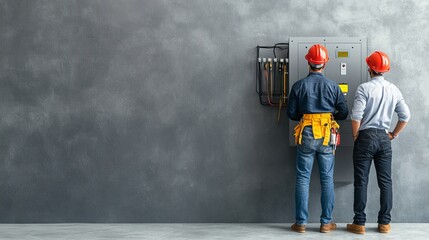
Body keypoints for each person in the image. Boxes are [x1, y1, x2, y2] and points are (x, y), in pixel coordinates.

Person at [346, 51, 410, 234]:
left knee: (361, 182)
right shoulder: (394, 89)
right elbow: (405, 116)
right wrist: (393, 134)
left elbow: (356, 115)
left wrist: (356, 135)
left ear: (370, 68)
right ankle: (384, 223)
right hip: (384, 138)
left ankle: (359, 223)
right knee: (386, 182)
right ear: (385, 70)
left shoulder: (363, 88)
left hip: (365, 137)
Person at [287, 44, 348, 233]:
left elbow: (291, 113)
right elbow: (344, 113)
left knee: (302, 178)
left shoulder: (298, 85)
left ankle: (300, 223)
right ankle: (325, 223)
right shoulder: (333, 86)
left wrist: (307, 117)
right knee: (327, 178)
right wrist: (329, 118)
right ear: (324, 63)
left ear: (309, 62)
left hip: (306, 133)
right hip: (326, 135)